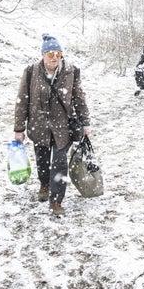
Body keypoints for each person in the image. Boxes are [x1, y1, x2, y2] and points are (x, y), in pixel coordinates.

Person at [13, 34, 91, 217]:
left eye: (58, 53)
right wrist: (19, 129)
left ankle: (56, 200)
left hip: (63, 128)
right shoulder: (31, 72)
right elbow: (22, 101)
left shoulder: (72, 72)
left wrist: (85, 122)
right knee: (42, 161)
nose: (54, 57)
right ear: (42, 55)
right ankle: (44, 184)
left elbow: (79, 99)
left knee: (59, 164)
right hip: (38, 126)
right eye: (50, 54)